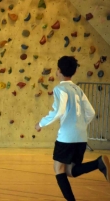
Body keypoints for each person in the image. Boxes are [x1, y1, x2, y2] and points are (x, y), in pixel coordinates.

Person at [35, 56, 110, 201]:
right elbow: (91, 112)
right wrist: (80, 126)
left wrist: (41, 124)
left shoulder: (60, 88)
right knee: (70, 171)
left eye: (57, 69)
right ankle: (98, 163)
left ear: (60, 70)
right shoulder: (78, 89)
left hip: (67, 138)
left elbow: (59, 111)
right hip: (81, 137)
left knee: (58, 169)